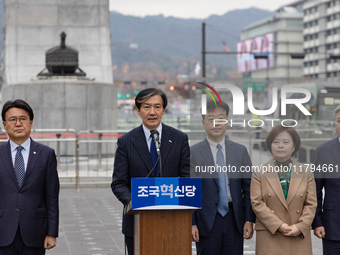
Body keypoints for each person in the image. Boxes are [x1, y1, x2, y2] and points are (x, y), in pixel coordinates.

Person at [111, 88, 190, 255]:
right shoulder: (126, 142)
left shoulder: (179, 139)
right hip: (137, 221)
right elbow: (118, 183)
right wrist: (136, 201)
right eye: (147, 107)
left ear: (164, 110)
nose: (152, 112)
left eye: (157, 107)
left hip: (173, 221)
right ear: (138, 111)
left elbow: (186, 178)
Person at [191, 100, 255, 255]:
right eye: (211, 118)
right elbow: (189, 191)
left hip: (234, 219)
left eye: (220, 118)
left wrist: (249, 219)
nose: (216, 123)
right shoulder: (192, 152)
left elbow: (249, 188)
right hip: (206, 221)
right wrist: (191, 223)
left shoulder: (240, 151)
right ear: (203, 122)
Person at [0, 99, 60, 254]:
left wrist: (52, 233)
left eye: (23, 119)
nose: (18, 124)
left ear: (31, 122)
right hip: (3, 231)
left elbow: (51, 197)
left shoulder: (46, 154)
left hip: (35, 232)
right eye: (12, 119)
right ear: (4, 124)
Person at [251, 125, 317, 255]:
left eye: (286, 142)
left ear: (293, 147)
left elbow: (311, 204)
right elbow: (257, 203)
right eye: (276, 142)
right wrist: (279, 225)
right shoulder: (259, 172)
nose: (280, 145)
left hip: (298, 236)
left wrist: (301, 226)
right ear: (270, 146)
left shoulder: (306, 172)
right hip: (270, 235)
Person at [312, 104, 340, 254]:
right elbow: (314, 190)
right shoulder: (323, 151)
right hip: (333, 227)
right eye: (339, 120)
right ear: (334, 123)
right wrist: (317, 222)